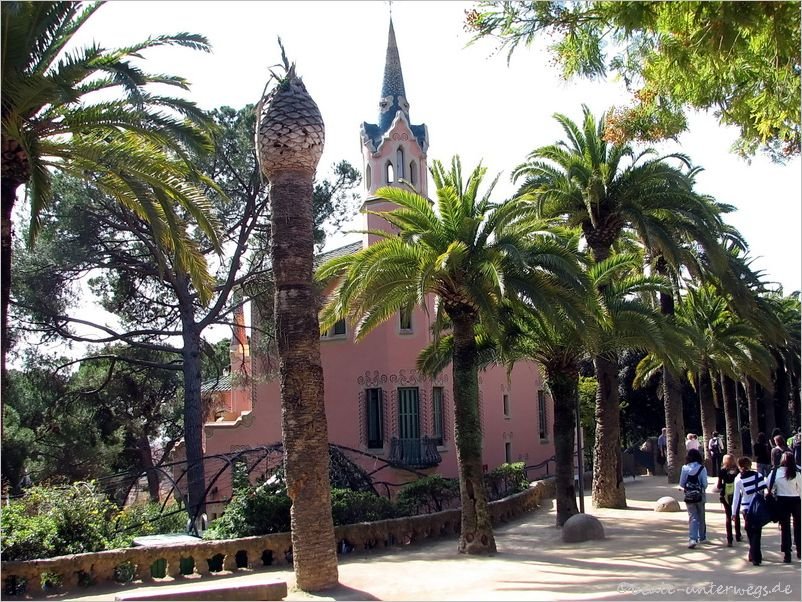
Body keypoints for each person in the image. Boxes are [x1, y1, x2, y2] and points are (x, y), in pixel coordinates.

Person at [732, 456, 768, 566]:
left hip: (746, 508)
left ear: (739, 466)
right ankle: (755, 554)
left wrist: (733, 512)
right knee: (757, 532)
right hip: (758, 507)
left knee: (750, 531)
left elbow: (736, 497)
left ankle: (753, 554)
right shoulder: (758, 475)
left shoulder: (739, 479)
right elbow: (764, 490)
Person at [769, 451, 801, 563]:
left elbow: (769, 485)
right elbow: (801, 488)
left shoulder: (776, 472)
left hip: (782, 501)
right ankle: (800, 549)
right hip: (796, 500)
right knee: (798, 526)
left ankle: (787, 554)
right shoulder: (796, 473)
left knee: (785, 528)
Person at [680, 448, 708, 548]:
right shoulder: (702, 468)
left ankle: (693, 539)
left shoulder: (684, 468)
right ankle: (702, 537)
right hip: (700, 495)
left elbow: (682, 483)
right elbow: (705, 484)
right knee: (701, 516)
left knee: (692, 517)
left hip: (689, 495)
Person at [716, 454, 742, 547]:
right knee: (736, 514)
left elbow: (719, 485)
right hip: (736, 494)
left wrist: (724, 485)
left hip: (725, 495)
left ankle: (729, 539)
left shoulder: (722, 471)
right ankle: (738, 535)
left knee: (728, 516)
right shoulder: (737, 470)